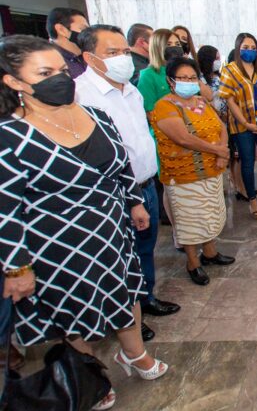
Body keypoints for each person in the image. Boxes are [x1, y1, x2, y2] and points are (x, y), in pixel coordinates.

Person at [0, 35, 169, 410]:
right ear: (14, 82)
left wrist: (135, 203)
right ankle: (90, 374)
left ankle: (134, 354)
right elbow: (5, 211)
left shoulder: (96, 115)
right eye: (44, 73)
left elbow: (121, 167)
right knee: (76, 311)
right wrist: (17, 268)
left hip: (111, 231)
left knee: (125, 293)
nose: (59, 79)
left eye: (61, 70)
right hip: (58, 245)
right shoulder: (9, 136)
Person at [75, 24, 181, 344]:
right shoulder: (81, 94)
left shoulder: (130, 88)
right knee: (121, 258)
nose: (123, 58)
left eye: (124, 51)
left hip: (144, 183)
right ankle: (124, 317)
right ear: (90, 58)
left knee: (144, 249)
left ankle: (144, 299)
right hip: (113, 191)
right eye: (112, 53)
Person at [150, 57, 235, 286]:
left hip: (211, 170)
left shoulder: (200, 102)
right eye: (182, 78)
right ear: (170, 80)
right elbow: (183, 138)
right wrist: (217, 150)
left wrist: (221, 152)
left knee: (210, 213)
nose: (188, 82)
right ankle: (192, 262)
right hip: (184, 176)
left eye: (192, 78)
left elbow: (220, 127)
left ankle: (209, 253)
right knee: (189, 219)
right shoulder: (164, 106)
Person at [218, 33, 257, 220]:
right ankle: (252, 199)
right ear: (238, 48)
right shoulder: (229, 70)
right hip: (241, 125)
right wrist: (246, 123)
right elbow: (229, 101)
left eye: (253, 47)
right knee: (247, 162)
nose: (250, 51)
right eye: (246, 47)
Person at [46, 7, 89, 79]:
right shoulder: (46, 62)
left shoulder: (88, 57)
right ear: (61, 30)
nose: (88, 34)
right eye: (83, 29)